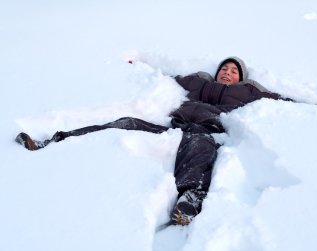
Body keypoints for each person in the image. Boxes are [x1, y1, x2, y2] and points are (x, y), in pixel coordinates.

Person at [15, 56, 293, 225]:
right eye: (225, 68)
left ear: (240, 77)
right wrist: (135, 64)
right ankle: (54, 140)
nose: (227, 73)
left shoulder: (248, 92)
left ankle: (190, 198)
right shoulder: (198, 82)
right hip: (175, 124)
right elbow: (161, 76)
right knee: (124, 123)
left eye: (234, 71)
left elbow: (284, 101)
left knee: (199, 147)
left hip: (208, 129)